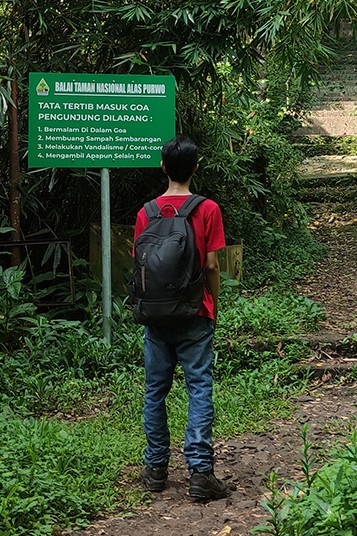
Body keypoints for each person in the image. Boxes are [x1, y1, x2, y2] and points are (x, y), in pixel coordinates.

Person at [134, 135, 230, 502]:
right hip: (195, 312)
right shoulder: (207, 209)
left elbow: (140, 265)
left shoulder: (147, 212)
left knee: (155, 391)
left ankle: (156, 469)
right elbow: (211, 265)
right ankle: (200, 473)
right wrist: (213, 307)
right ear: (195, 168)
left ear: (162, 167)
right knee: (199, 387)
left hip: (156, 316)